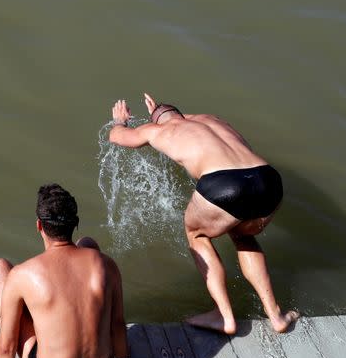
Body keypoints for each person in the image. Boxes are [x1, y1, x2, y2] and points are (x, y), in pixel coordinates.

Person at [108, 93, 299, 334]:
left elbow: (118, 137)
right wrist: (159, 110)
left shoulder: (158, 131)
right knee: (242, 234)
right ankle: (276, 316)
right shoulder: (212, 120)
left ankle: (224, 316)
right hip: (268, 180)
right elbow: (181, 118)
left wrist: (120, 121)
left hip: (226, 184)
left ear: (158, 122)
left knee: (196, 234)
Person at [0, 184, 128, 358]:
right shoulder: (107, 265)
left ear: (39, 225)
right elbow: (117, 322)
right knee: (88, 244)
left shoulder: (23, 274)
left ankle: (11, 320)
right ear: (75, 223)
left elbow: (6, 346)